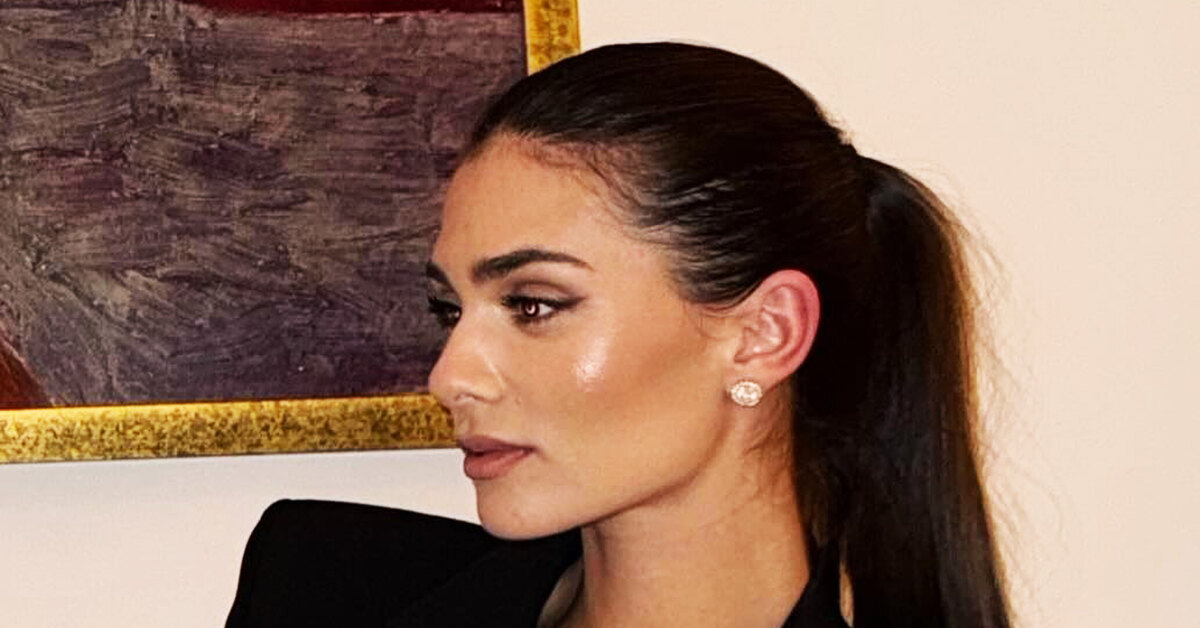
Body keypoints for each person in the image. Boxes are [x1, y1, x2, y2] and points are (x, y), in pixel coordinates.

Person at [226, 42, 1011, 628]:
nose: (450, 377)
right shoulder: (323, 589)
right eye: (450, 310)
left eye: (533, 305)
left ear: (763, 334)